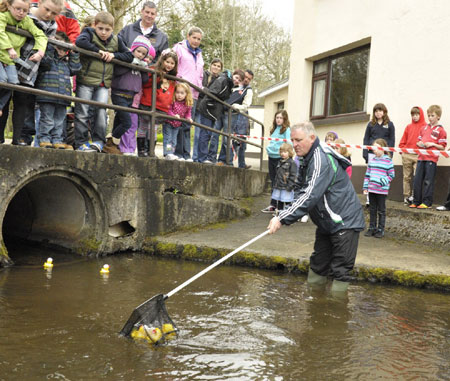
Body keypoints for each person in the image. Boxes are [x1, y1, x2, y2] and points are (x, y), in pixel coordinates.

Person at [267, 121, 365, 292]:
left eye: (298, 140)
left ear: (312, 138)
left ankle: (336, 310)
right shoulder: (305, 159)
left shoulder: (320, 159)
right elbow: (299, 189)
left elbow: (310, 194)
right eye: (292, 140)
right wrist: (286, 213)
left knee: (340, 271)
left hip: (344, 221)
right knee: (318, 264)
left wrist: (282, 217)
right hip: (326, 222)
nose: (294, 145)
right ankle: (315, 305)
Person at [74, 11, 133, 152]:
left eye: (107, 29)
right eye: (100, 28)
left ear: (112, 29)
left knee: (100, 112)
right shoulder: (88, 33)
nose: (103, 32)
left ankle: (98, 141)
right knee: (82, 111)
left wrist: (113, 55)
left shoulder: (116, 40)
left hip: (103, 83)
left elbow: (129, 56)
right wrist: (98, 51)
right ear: (95, 25)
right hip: (86, 80)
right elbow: (79, 42)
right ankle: (80, 142)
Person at [117, 2, 168, 155]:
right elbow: (119, 47)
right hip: (127, 78)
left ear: (156, 15)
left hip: (148, 82)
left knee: (146, 117)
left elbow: (163, 60)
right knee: (125, 112)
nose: (149, 16)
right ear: (142, 11)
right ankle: (121, 146)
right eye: (147, 12)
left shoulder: (161, 36)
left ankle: (145, 151)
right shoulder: (127, 30)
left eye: (152, 13)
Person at [14, 0, 63, 147]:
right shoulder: (25, 14)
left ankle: (22, 137)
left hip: (32, 67)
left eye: (54, 13)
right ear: (40, 3)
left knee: (25, 102)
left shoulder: (52, 26)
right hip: (13, 58)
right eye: (47, 9)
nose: (49, 15)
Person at [0, 0, 47, 139]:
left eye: (24, 10)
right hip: (2, 54)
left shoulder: (26, 21)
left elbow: (40, 35)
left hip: (11, 60)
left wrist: (40, 52)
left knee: (13, 82)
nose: (21, 13)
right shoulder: (3, 16)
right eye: (17, 9)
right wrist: (9, 47)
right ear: (9, 6)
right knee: (2, 80)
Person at [104, 35, 155, 155]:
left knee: (119, 121)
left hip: (130, 97)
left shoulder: (141, 64)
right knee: (127, 123)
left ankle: (111, 146)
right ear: (133, 49)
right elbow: (117, 72)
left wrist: (143, 67)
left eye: (143, 54)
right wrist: (131, 64)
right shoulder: (126, 59)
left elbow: (144, 80)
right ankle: (111, 140)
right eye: (138, 51)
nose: (140, 55)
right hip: (119, 94)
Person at [35, 31, 80, 148]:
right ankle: (44, 138)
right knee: (47, 119)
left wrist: (74, 53)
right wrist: (50, 45)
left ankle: (57, 140)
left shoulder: (66, 61)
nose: (61, 51)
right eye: (58, 48)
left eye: (64, 49)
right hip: (47, 93)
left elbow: (75, 70)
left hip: (63, 95)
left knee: (60, 120)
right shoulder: (49, 58)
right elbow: (45, 62)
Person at [137, 49, 177, 157]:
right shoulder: (153, 70)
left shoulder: (172, 78)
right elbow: (145, 83)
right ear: (162, 60)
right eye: (167, 62)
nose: (169, 65)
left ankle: (151, 151)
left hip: (160, 107)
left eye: (172, 63)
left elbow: (170, 93)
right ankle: (141, 150)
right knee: (143, 126)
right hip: (147, 103)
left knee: (153, 129)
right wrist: (158, 76)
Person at [173, 27, 204, 161]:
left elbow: (200, 73)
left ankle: (186, 154)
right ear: (188, 36)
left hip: (194, 93)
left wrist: (200, 86)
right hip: (181, 91)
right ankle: (178, 153)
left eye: (199, 39)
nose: (196, 41)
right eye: (194, 38)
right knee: (177, 122)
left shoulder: (199, 54)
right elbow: (172, 65)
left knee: (187, 124)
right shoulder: (178, 48)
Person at [410, 105, 447, 209]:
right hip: (421, 157)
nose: (430, 118)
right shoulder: (424, 128)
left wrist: (433, 144)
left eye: (432, 115)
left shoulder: (441, 130)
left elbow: (442, 147)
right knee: (417, 180)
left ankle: (427, 202)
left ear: (438, 117)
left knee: (428, 181)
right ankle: (416, 201)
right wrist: (420, 144)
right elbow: (418, 141)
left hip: (431, 159)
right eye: (429, 115)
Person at [196, 69, 236, 164]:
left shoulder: (227, 82)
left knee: (208, 134)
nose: (237, 80)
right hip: (208, 109)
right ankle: (202, 158)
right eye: (236, 77)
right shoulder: (223, 80)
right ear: (232, 75)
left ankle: (203, 157)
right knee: (205, 134)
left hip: (213, 111)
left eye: (239, 79)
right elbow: (213, 92)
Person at [217, 68, 253, 168]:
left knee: (239, 143)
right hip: (229, 115)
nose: (246, 80)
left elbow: (246, 106)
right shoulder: (234, 86)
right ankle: (223, 160)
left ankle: (237, 163)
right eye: (245, 77)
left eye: (249, 79)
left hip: (241, 118)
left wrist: (236, 106)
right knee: (226, 138)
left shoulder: (248, 91)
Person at [362, 103, 395, 205]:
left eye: (380, 111)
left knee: (381, 175)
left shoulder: (389, 124)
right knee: (371, 175)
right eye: (376, 111)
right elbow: (366, 139)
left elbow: (392, 139)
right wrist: (365, 154)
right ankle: (369, 199)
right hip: (372, 154)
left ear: (384, 112)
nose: (378, 113)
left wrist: (389, 154)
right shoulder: (370, 124)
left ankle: (381, 196)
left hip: (384, 155)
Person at [363, 138, 395, 238]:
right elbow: (367, 175)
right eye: (374, 148)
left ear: (383, 148)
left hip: (381, 190)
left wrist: (383, 182)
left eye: (376, 148)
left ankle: (381, 229)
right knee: (372, 209)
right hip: (372, 189)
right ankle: (372, 227)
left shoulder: (388, 161)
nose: (374, 150)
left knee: (381, 210)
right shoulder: (372, 161)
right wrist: (365, 186)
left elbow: (391, 175)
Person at [192, 58, 222, 162]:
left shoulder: (220, 80)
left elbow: (218, 94)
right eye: (214, 65)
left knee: (207, 135)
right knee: (198, 134)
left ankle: (202, 157)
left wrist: (208, 92)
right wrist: (208, 92)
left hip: (210, 111)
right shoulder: (205, 74)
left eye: (218, 66)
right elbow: (200, 88)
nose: (216, 67)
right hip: (200, 107)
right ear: (211, 65)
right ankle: (196, 157)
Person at [261, 109, 291, 213]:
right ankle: (273, 205)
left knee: (280, 182)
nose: (278, 120)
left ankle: (281, 207)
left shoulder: (286, 130)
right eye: (277, 117)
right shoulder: (273, 129)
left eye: (281, 118)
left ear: (284, 119)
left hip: (280, 159)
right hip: (271, 157)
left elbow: (288, 144)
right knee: (273, 181)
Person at [398, 106, 426, 205]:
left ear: (421, 115)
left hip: (418, 155)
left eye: (417, 114)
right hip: (407, 154)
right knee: (406, 177)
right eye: (413, 115)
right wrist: (403, 152)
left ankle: (415, 197)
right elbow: (402, 141)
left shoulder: (425, 127)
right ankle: (406, 197)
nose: (414, 117)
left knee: (417, 177)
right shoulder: (408, 127)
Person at [163, 82, 193, 159]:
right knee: (168, 139)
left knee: (174, 141)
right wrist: (173, 115)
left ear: (186, 94)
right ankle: (167, 153)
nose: (179, 95)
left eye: (182, 93)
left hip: (177, 125)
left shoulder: (187, 104)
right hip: (169, 123)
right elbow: (168, 110)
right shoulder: (173, 101)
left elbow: (187, 113)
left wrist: (189, 118)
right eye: (177, 92)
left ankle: (171, 153)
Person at [271, 143, 297, 212]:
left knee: (288, 201)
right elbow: (277, 175)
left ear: (290, 152)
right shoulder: (280, 161)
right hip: (279, 186)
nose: (283, 154)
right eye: (281, 152)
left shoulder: (292, 163)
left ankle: (289, 214)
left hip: (286, 186)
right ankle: (279, 213)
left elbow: (293, 175)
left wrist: (290, 186)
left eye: (285, 152)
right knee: (280, 201)